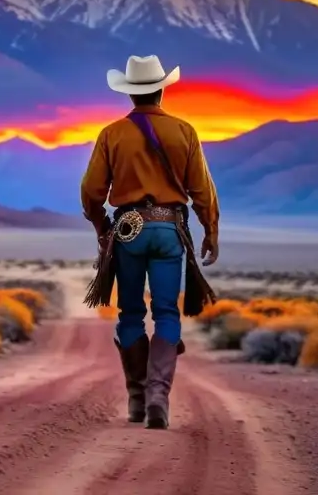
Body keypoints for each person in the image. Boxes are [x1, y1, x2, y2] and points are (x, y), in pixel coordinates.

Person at [80, 54, 219, 430]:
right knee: (167, 314)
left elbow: (91, 191)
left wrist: (100, 226)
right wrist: (210, 229)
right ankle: (160, 396)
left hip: (128, 232)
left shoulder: (111, 134)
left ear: (130, 95)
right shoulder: (184, 131)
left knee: (130, 314)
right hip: (170, 231)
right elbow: (202, 189)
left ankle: (138, 398)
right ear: (161, 90)